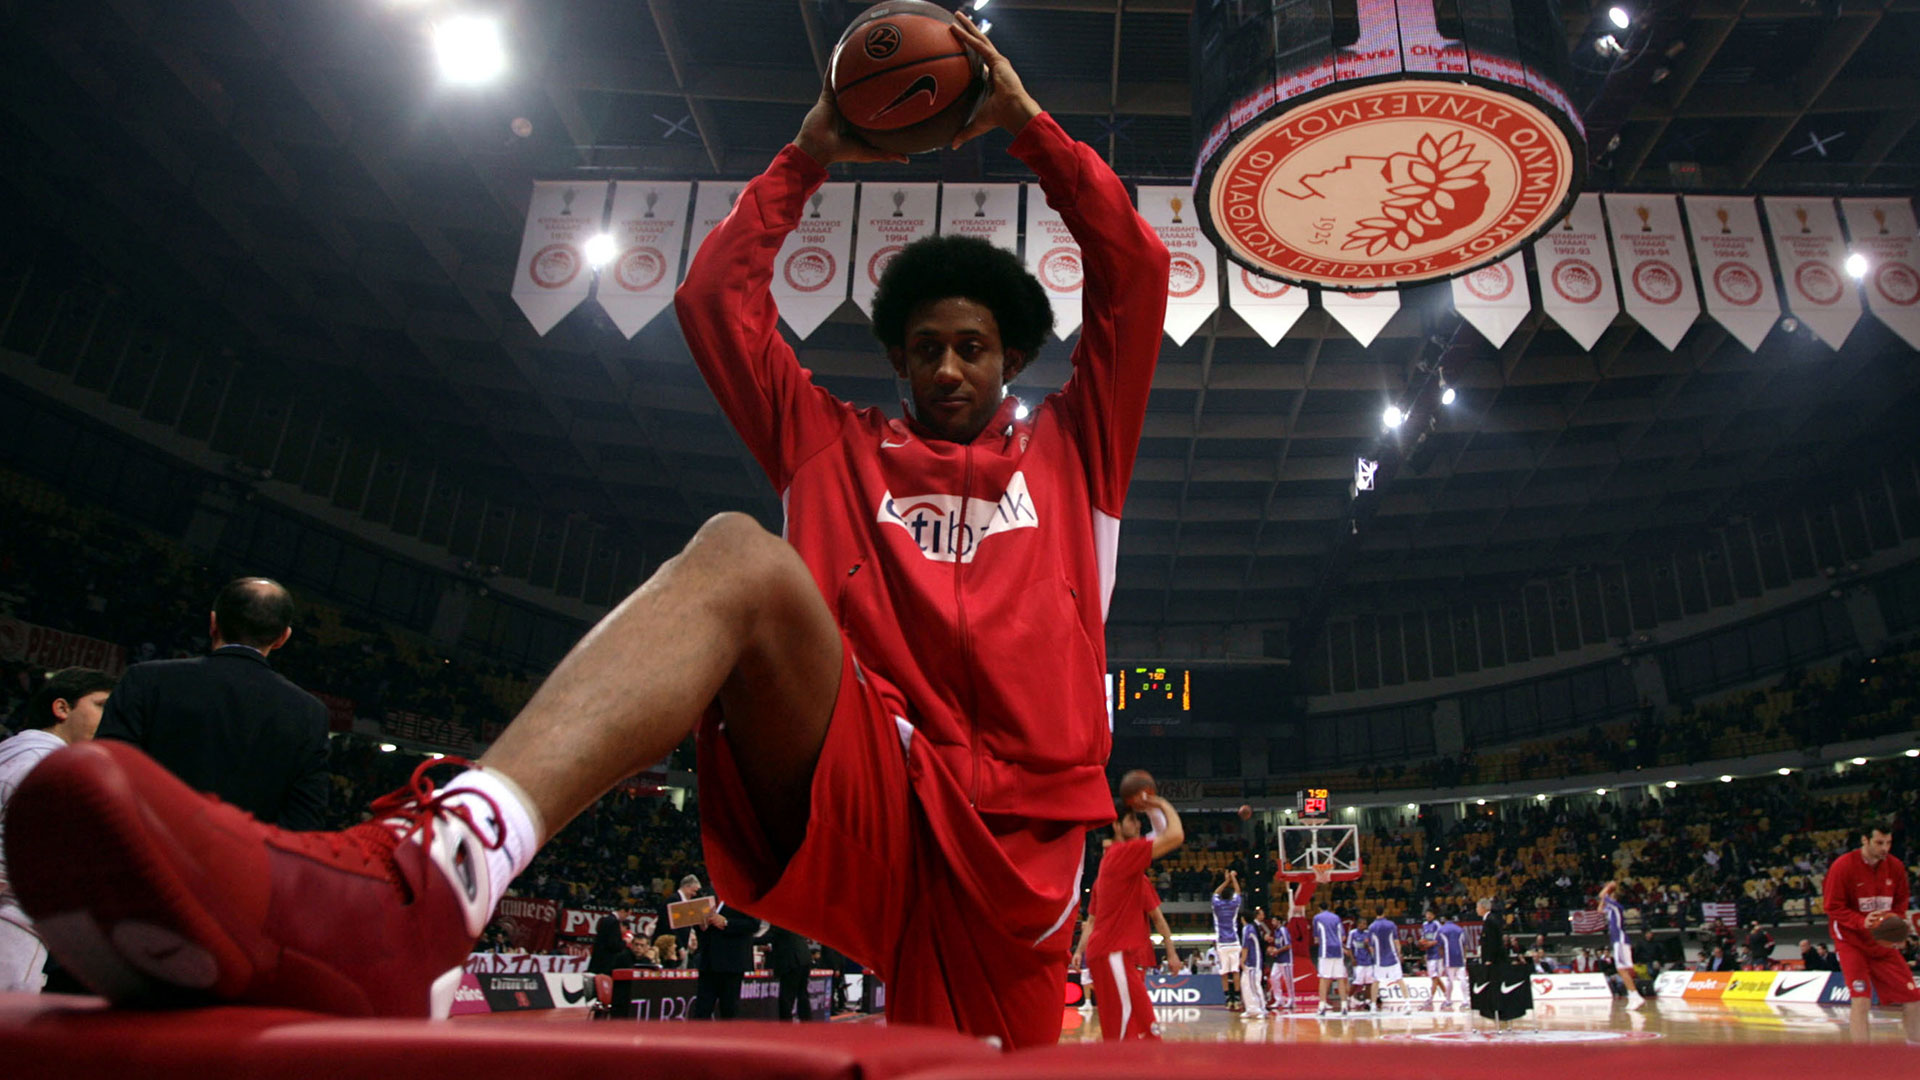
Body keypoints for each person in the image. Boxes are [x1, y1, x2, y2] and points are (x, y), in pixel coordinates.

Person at [6, 15, 1171, 1047]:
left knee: (978, 1059)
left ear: (1014, 356)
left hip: (1024, 836)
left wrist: (1028, 127)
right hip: (870, 772)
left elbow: (1136, 268)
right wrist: (810, 151)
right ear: (899, 361)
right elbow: (713, 301)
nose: (950, 365)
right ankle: (440, 874)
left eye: (972, 347)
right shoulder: (832, 443)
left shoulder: (1078, 450)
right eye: (925, 348)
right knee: (737, 555)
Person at [94, 577, 329, 829]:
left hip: (140, 844)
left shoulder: (145, 679)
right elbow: (304, 820)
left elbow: (104, 774)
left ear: (213, 622)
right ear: (283, 637)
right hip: (242, 853)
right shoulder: (310, 713)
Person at [0, 668, 115, 993]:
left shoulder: (13, 749)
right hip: (12, 923)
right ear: (62, 708)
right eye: (100, 705)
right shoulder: (46, 765)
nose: (109, 718)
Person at [1070, 793, 1184, 1041]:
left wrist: (1152, 809)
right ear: (1116, 825)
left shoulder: (1117, 861)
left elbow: (1159, 834)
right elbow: (1175, 836)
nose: (1137, 824)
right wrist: (1159, 803)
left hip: (1114, 954)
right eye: (1132, 819)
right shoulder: (1123, 855)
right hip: (1112, 953)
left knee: (1138, 1029)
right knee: (1131, 1032)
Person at [1822, 819, 1919, 1043]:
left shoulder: (1895, 866)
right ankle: (1862, 1057)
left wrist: (1895, 922)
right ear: (1864, 840)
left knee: (1913, 997)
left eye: (1888, 843)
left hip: (1881, 942)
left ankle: (1915, 1051)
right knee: (1861, 999)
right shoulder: (1843, 866)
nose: (1885, 848)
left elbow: (1901, 901)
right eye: (1879, 843)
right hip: (1851, 941)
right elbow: (1832, 906)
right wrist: (1861, 921)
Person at [689, 901, 762, 1020]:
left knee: (729, 1010)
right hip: (709, 961)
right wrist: (700, 925)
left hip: (732, 963)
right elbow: (697, 922)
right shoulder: (708, 895)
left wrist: (726, 923)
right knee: (702, 1010)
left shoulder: (742, 898)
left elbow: (754, 924)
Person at [1599, 881, 1647, 1007]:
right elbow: (1600, 910)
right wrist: (1605, 896)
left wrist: (1608, 887)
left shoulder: (1617, 906)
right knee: (1624, 969)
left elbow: (1601, 895)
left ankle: (1634, 995)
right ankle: (1633, 995)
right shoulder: (1611, 909)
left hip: (1619, 940)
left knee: (1621, 969)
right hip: (1620, 941)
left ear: (1614, 898)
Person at [766, 924, 816, 1021]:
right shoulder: (793, 924)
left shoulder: (779, 923)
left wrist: (752, 940)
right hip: (804, 958)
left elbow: (771, 936)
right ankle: (806, 1021)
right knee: (802, 994)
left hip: (792, 962)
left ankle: (786, 1023)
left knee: (786, 997)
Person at [1212, 870, 1244, 1011]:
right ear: (1231, 897)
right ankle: (1236, 998)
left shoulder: (1217, 905)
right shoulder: (1233, 905)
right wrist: (1233, 878)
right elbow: (1238, 891)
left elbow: (1215, 893)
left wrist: (1226, 881)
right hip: (1234, 942)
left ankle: (1227, 999)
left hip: (1222, 943)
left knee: (1224, 972)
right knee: (1235, 971)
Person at [1312, 893, 1348, 1015]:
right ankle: (1344, 1006)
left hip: (1325, 950)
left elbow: (1316, 938)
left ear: (1319, 908)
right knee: (1340, 978)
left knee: (1324, 978)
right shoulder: (1336, 917)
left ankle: (1322, 1006)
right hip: (1338, 950)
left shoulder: (1317, 918)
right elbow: (1343, 936)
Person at [1367, 910, 1407, 1009]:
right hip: (1392, 958)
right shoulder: (1391, 924)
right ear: (1384, 913)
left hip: (1379, 960)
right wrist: (1399, 953)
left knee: (1376, 981)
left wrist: (1374, 957)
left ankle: (1373, 1005)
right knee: (1400, 980)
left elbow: (1371, 946)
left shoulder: (1371, 927)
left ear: (1375, 913)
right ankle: (1407, 1003)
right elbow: (1396, 941)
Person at [656, 874, 706, 953]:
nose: (695, 894)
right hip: (668, 947)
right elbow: (669, 926)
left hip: (680, 946)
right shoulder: (674, 900)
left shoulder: (685, 902)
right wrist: (680, 947)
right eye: (694, 891)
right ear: (687, 886)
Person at [1435, 910, 1468, 1011]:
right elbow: (1464, 945)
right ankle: (1465, 1001)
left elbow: (1439, 946)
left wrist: (1443, 958)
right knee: (1463, 979)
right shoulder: (1460, 929)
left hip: (1449, 958)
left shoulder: (1441, 930)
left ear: (1444, 919)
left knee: (1449, 980)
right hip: (1460, 958)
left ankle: (1448, 1000)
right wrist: (1464, 957)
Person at [1238, 912, 1267, 1019]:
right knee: (1245, 985)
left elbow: (1245, 947)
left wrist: (1242, 961)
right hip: (1251, 962)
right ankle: (1251, 1009)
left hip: (1253, 963)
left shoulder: (1247, 928)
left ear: (1243, 918)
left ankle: (1261, 1009)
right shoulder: (1251, 928)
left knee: (1254, 985)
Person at [1346, 915, 1376, 1011]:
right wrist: (1352, 959)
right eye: (1363, 924)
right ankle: (1348, 997)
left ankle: (1367, 1001)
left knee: (1369, 982)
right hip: (1358, 961)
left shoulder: (1368, 933)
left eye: (1365, 924)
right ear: (1358, 924)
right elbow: (1349, 947)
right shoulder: (1352, 933)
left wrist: (1367, 945)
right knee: (1357, 982)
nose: (1364, 926)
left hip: (1368, 962)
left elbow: (1371, 947)